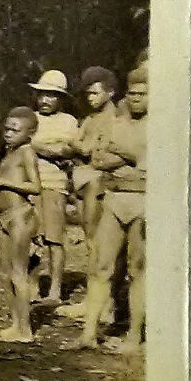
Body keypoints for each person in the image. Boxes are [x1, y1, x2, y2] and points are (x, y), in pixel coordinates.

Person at [78, 66, 148, 352]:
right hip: (115, 198)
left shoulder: (159, 125)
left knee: (138, 269)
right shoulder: (116, 122)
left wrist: (121, 153)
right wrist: (129, 156)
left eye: (142, 95)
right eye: (132, 93)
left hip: (144, 201)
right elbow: (97, 159)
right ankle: (88, 334)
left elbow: (149, 159)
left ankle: (133, 336)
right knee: (100, 267)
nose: (135, 99)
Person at [59, 67, 123, 322]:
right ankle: (94, 301)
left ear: (110, 92)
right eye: (87, 94)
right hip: (84, 183)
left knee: (102, 245)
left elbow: (93, 151)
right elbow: (77, 146)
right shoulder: (90, 119)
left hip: (101, 183)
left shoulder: (116, 117)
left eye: (95, 93)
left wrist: (76, 145)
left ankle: (106, 304)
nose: (90, 98)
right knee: (91, 245)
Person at [0, 107, 43, 343]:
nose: (8, 133)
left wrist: (2, 181)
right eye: (6, 129)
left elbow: (35, 187)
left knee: (18, 273)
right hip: (7, 217)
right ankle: (16, 324)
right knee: (4, 273)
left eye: (15, 130)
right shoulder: (10, 153)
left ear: (30, 133)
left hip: (21, 217)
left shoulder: (27, 152)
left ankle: (25, 330)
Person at [27, 70, 80, 304]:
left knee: (54, 239)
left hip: (54, 185)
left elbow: (68, 150)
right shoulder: (30, 118)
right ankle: (32, 287)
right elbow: (16, 145)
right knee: (30, 238)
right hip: (28, 184)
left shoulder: (69, 122)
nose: (45, 100)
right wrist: (51, 148)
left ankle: (55, 291)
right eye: (42, 95)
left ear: (60, 98)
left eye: (51, 95)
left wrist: (36, 146)